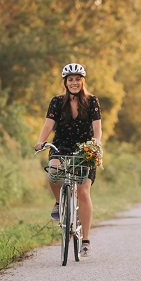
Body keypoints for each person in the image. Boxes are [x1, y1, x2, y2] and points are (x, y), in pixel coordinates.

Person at [33, 62, 103, 256]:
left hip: (85, 149)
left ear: (82, 81)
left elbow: (97, 128)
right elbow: (48, 125)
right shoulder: (57, 102)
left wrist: (95, 145)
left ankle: (86, 240)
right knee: (53, 173)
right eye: (70, 79)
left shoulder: (92, 102)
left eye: (77, 79)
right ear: (65, 82)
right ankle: (59, 202)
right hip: (61, 145)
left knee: (83, 192)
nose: (74, 83)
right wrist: (41, 141)